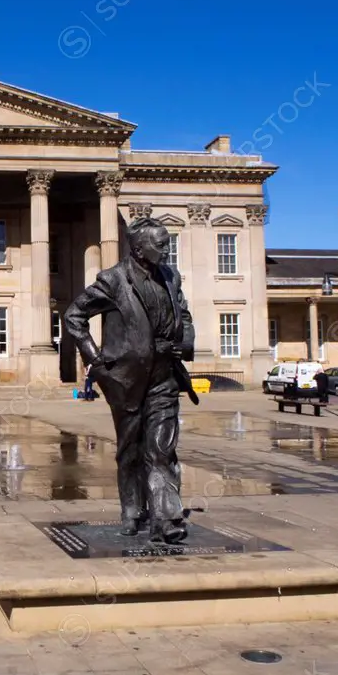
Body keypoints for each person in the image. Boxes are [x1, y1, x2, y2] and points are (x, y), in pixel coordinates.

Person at [64, 216, 198, 542]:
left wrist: (185, 343)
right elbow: (74, 316)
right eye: (161, 244)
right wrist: (95, 360)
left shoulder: (171, 277)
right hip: (125, 379)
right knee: (130, 451)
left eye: (167, 243)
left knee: (161, 449)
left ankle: (166, 520)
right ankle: (131, 509)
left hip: (165, 377)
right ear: (139, 249)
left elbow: (185, 314)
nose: (167, 250)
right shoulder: (113, 280)